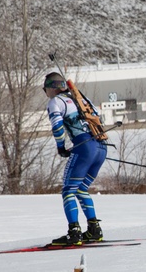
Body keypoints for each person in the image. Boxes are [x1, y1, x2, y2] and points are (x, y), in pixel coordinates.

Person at [43, 72, 107, 245]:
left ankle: (74, 233)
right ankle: (94, 230)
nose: (45, 93)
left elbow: (57, 126)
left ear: (51, 88)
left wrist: (61, 147)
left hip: (83, 147)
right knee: (81, 189)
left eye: (45, 89)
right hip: (101, 147)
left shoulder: (56, 101)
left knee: (68, 190)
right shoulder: (83, 99)